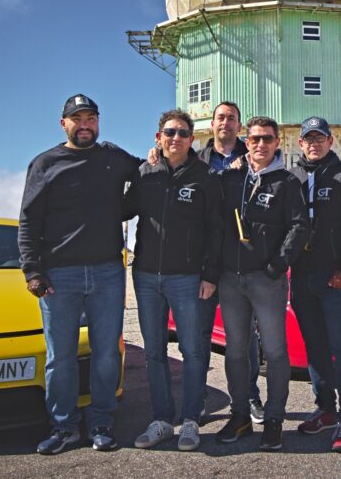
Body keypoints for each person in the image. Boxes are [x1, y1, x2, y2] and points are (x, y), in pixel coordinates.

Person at [18, 94, 140, 454]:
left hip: (108, 272)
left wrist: (126, 207)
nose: (85, 125)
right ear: (64, 124)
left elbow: (147, 174)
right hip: (59, 276)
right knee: (61, 357)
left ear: (98, 122)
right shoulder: (45, 164)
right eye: (77, 119)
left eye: (90, 118)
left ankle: (102, 422)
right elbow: (29, 220)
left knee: (106, 354)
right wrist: (32, 270)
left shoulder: (113, 157)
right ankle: (64, 427)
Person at [148, 100, 265, 424]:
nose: (225, 122)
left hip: (240, 260)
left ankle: (250, 396)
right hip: (202, 264)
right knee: (198, 336)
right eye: (220, 118)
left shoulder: (253, 158)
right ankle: (197, 400)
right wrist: (156, 154)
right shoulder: (195, 160)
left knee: (244, 336)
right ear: (211, 125)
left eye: (232, 118)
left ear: (239, 126)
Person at [125, 110, 223, 451]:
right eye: (170, 132)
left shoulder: (206, 177)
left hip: (188, 278)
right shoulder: (146, 173)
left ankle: (191, 420)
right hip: (146, 276)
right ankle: (162, 420)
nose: (176, 138)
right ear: (159, 137)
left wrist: (210, 275)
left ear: (191, 138)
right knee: (154, 351)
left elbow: (217, 230)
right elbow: (123, 209)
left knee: (193, 350)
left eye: (182, 133)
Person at [215, 117, 310, 451]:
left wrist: (277, 264)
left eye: (267, 139)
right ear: (246, 141)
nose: (260, 144)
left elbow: (299, 226)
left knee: (274, 351)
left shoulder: (288, 182)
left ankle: (274, 418)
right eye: (254, 138)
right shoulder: (230, 178)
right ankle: (240, 414)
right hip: (231, 278)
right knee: (236, 350)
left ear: (277, 142)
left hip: (267, 279)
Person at [289, 117, 341, 452]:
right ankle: (325, 408)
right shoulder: (292, 177)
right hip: (302, 278)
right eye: (308, 139)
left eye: (319, 138)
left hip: (335, 278)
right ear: (300, 143)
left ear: (331, 141)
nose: (314, 144)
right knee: (315, 347)